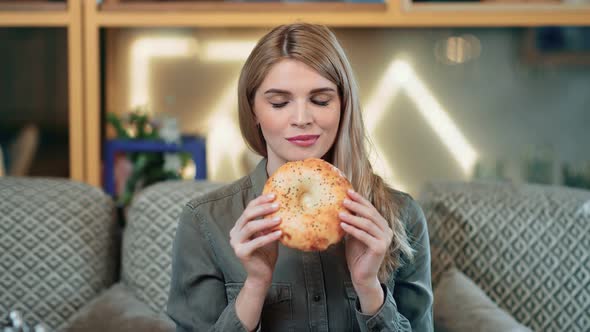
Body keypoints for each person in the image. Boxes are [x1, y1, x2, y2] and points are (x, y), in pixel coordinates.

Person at [166, 23, 433, 332]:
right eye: (279, 102)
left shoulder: (401, 216)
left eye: (320, 100)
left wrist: (369, 287)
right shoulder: (204, 221)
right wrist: (255, 285)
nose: (302, 119)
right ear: (252, 109)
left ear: (343, 105)